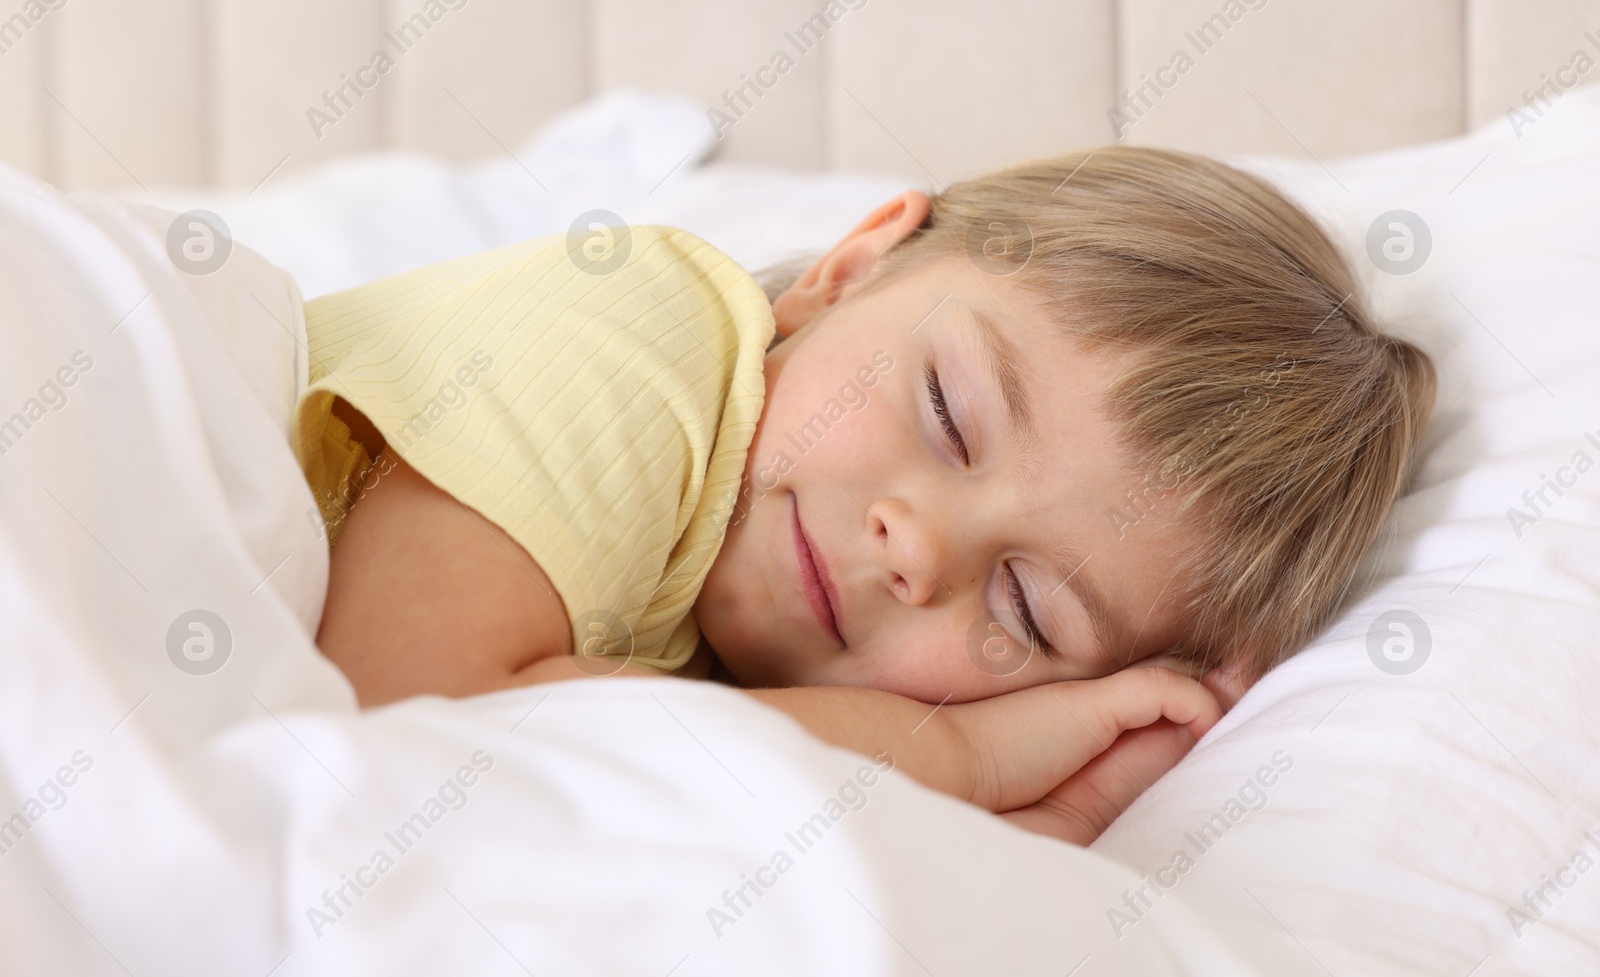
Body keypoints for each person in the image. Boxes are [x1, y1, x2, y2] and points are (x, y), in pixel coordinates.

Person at [292, 146, 1436, 843]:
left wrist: (1070, 810)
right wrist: (965, 761)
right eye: (948, 412)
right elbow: (402, 732)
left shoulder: (733, 685)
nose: (917, 550)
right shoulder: (637, 333)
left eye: (1027, 610)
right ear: (854, 266)